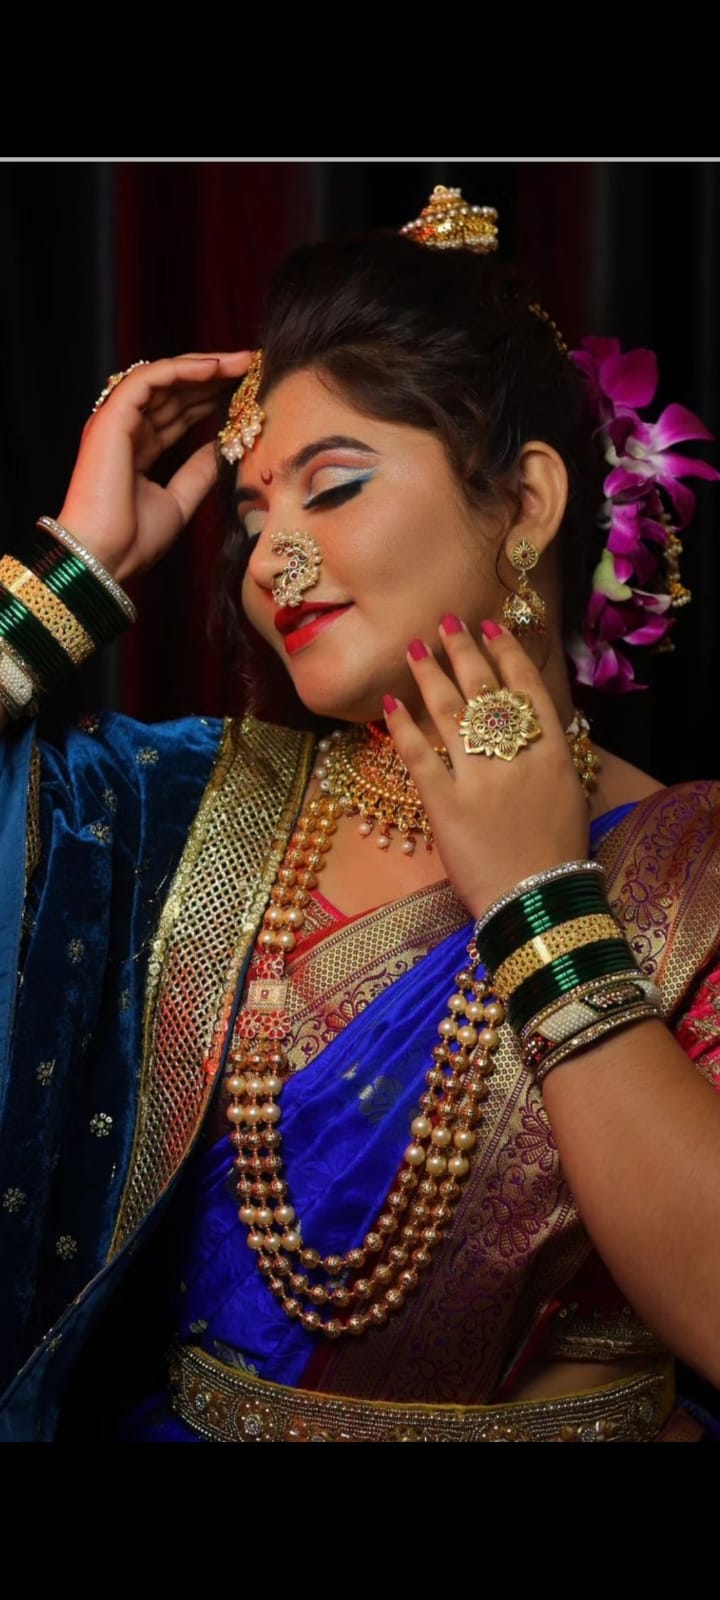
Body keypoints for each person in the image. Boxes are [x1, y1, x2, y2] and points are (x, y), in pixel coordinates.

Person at [1, 185, 720, 1443]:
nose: (271, 565)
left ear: (528, 501)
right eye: (251, 518)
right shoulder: (179, 809)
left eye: (331, 488)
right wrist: (74, 570)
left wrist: (539, 905)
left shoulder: (694, 867)